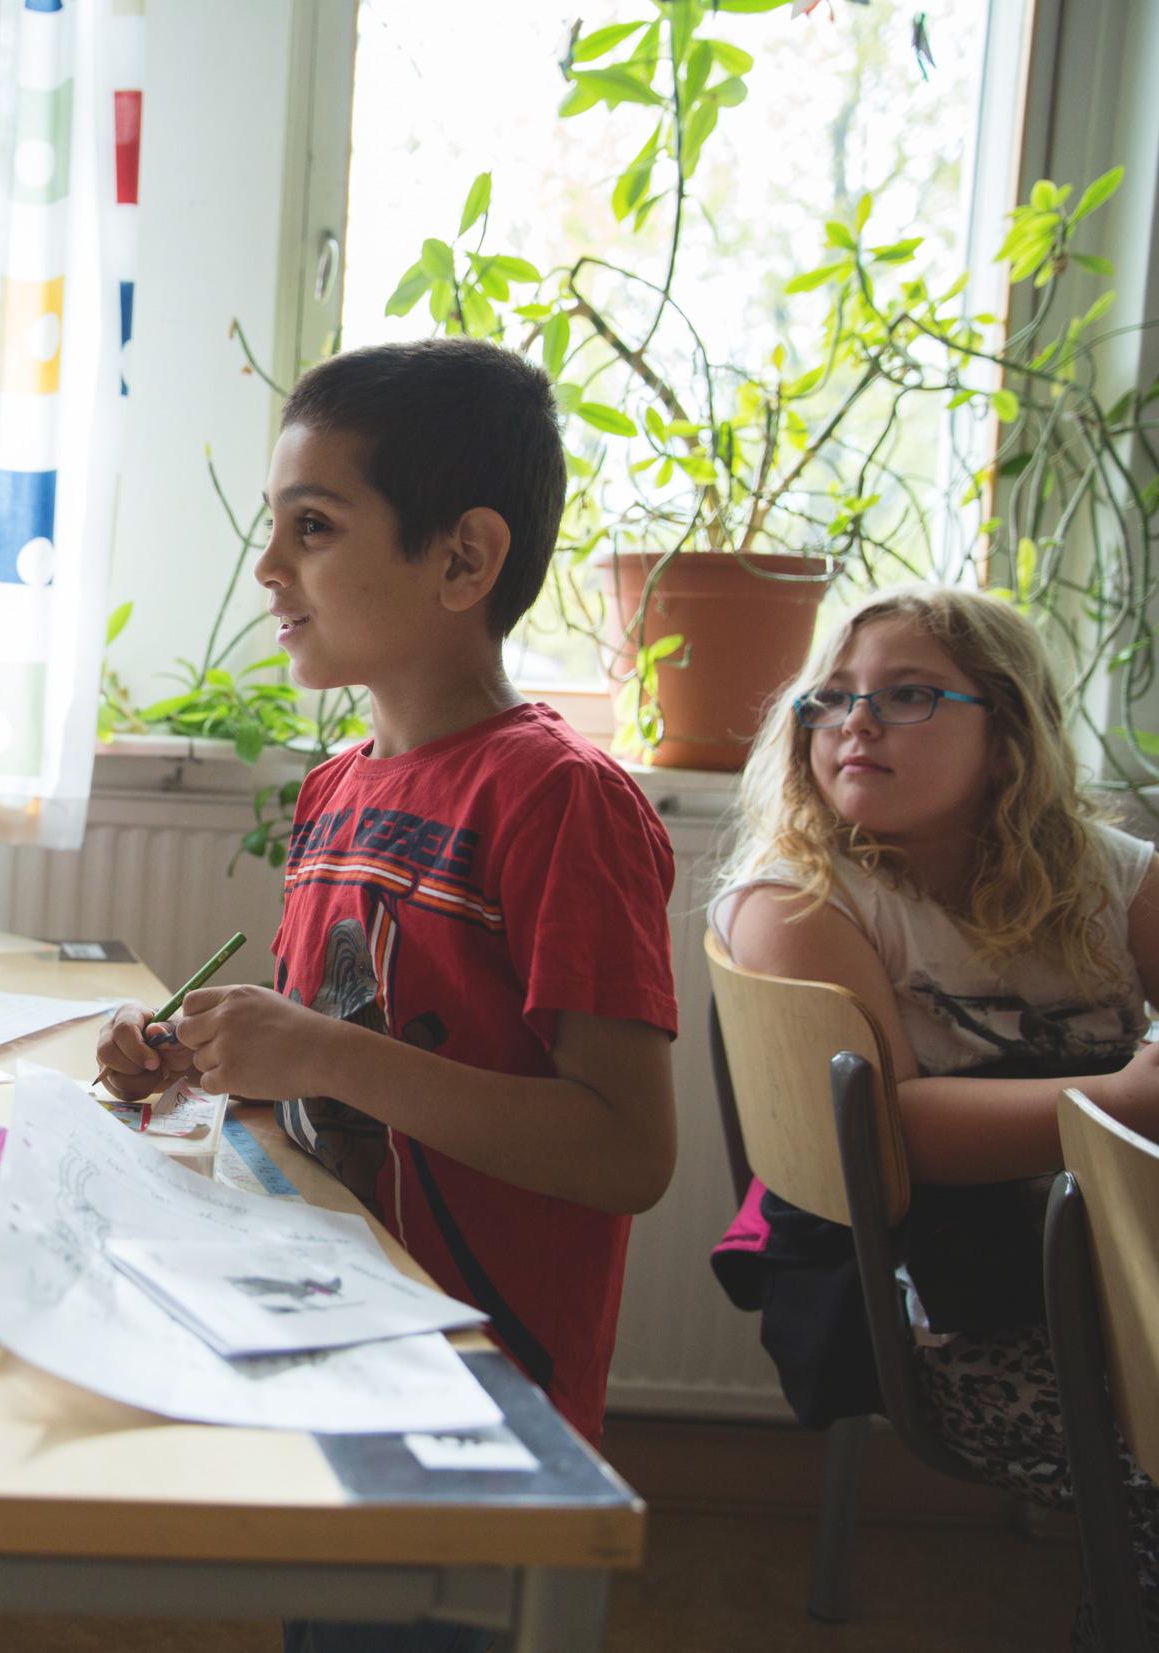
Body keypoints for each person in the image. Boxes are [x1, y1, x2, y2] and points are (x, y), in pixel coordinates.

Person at [95, 338, 679, 1653]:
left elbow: (628, 1150)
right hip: (339, 1330)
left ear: (464, 559)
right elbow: (335, 1058)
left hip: (479, 1389)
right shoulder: (338, 788)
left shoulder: (561, 802)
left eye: (314, 526)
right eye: (273, 527)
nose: (269, 568)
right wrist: (200, 1058)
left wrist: (329, 1059)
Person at [708, 585, 1159, 1650]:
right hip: (944, 1304)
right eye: (830, 699)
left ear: (1006, 736)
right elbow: (884, 1139)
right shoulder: (799, 902)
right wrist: (1126, 1103)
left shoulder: (1110, 877)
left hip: (1122, 1269)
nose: (853, 722)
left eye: (906, 696)